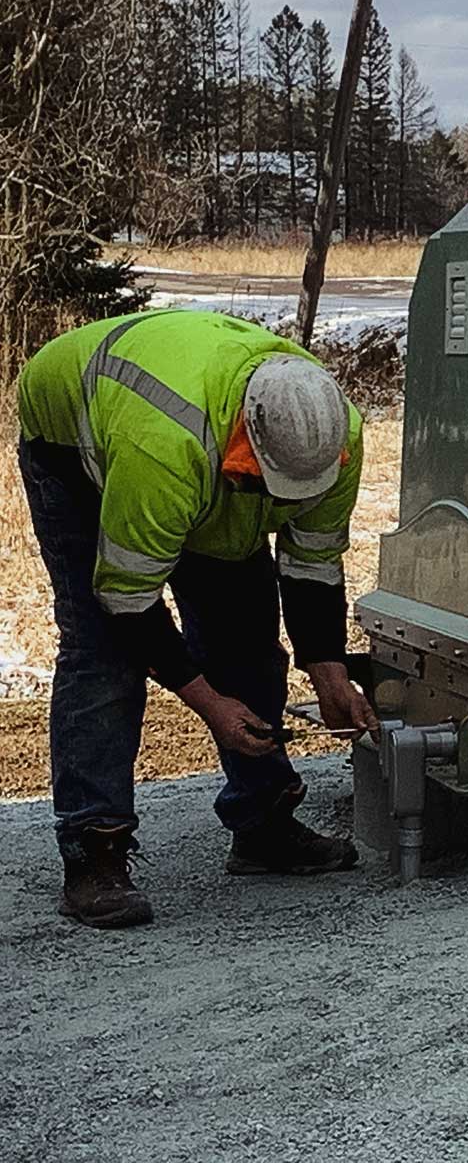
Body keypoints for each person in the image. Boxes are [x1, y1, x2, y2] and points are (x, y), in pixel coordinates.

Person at [17, 308, 380, 929]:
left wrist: (330, 674)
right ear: (247, 447)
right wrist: (210, 702)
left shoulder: (332, 436)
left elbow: (313, 567)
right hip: (75, 444)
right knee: (104, 655)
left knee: (248, 639)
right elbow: (127, 601)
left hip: (201, 452)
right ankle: (92, 851)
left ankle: (263, 824)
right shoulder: (162, 447)